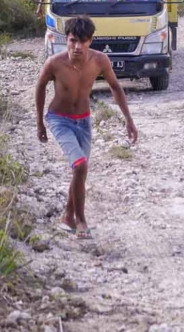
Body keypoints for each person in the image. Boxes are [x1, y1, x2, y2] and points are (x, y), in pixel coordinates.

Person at [35, 16, 138, 239]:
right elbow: (40, 87)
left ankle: (67, 217)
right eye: (73, 41)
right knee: (80, 166)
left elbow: (115, 87)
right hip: (59, 119)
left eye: (83, 41)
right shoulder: (55, 63)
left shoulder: (100, 61)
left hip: (83, 120)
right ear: (66, 40)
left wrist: (129, 120)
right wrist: (39, 123)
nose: (77, 47)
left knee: (79, 171)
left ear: (91, 41)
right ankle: (81, 220)